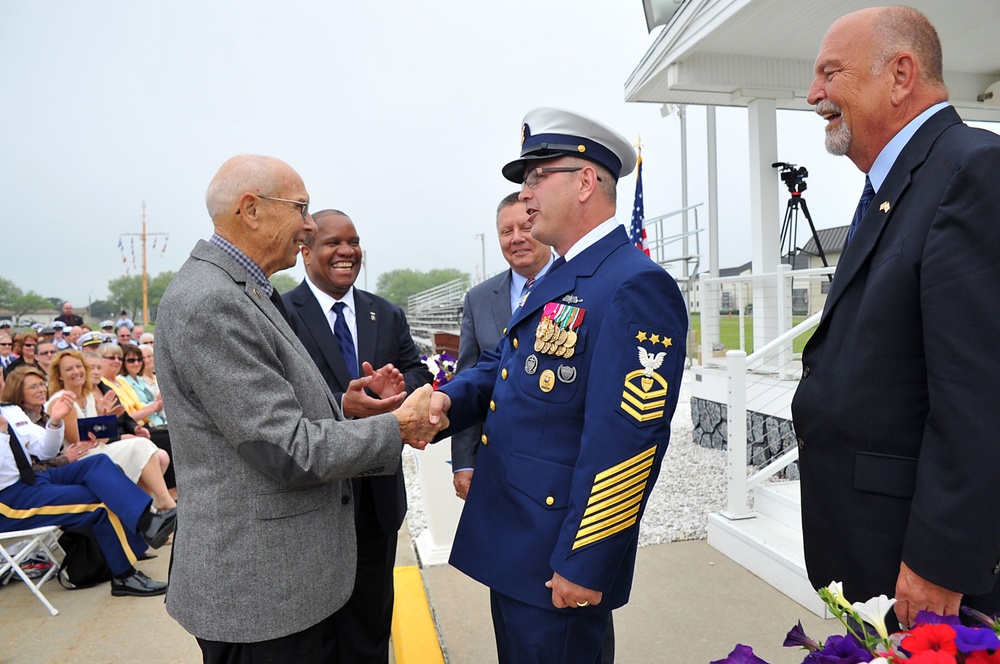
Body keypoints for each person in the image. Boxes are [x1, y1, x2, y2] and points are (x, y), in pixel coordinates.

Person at [155, 154, 446, 660]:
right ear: (251, 210)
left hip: (285, 582)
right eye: (302, 209)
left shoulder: (242, 290)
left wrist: (340, 407)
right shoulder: (213, 302)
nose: (310, 225)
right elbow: (286, 449)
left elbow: (255, 416)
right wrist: (396, 426)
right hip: (261, 593)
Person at [427, 108, 687, 663]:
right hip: (521, 547)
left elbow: (629, 442)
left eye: (537, 177)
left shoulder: (632, 285)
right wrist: (448, 398)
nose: (526, 196)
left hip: (556, 562)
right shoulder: (566, 275)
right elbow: (506, 363)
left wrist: (584, 561)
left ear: (587, 181)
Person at [791, 6, 1000, 630]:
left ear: (901, 75)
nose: (813, 95)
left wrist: (941, 560)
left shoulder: (971, 171)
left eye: (831, 73)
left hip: (925, 573)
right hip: (874, 551)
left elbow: (980, 394)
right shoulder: (900, 181)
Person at [284, 209, 433, 663]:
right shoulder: (279, 313)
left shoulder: (384, 313)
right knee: (319, 633)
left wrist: (397, 386)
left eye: (354, 241)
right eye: (333, 242)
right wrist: (341, 402)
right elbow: (279, 395)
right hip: (315, 499)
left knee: (371, 623)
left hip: (376, 498)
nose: (347, 251)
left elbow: (417, 369)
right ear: (305, 251)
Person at [0, 394, 174, 597]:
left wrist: (55, 422)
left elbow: (45, 450)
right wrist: (3, 432)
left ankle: (148, 522)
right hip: (8, 499)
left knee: (98, 463)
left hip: (32, 478)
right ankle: (124, 575)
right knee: (96, 501)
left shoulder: (9, 410)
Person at [451, 192, 553, 501]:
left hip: (555, 462)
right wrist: (464, 462)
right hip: (496, 458)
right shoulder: (478, 299)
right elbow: (468, 378)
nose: (516, 239)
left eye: (525, 227)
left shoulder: (576, 286)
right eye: (506, 232)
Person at [47, 349, 176, 511]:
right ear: (59, 376)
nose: (76, 372)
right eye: (69, 369)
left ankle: (146, 507)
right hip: (81, 458)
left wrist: (103, 417)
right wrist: (102, 428)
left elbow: (102, 435)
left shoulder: (89, 397)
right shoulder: (62, 400)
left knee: (155, 452)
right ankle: (161, 503)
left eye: (79, 367)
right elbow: (79, 440)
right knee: (142, 446)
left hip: (99, 449)